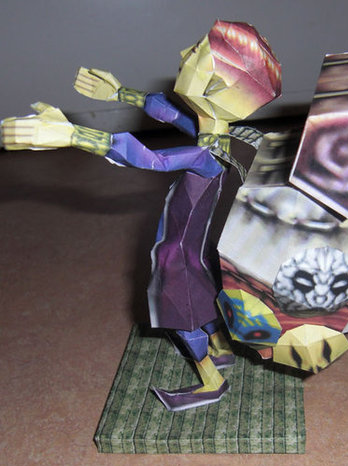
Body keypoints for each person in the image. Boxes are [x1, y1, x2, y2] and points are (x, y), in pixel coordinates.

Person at [1, 21, 283, 409]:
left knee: (179, 315)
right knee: (200, 298)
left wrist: (74, 136)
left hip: (177, 252)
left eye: (196, 53)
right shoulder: (213, 135)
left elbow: (149, 157)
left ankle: (211, 380)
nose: (184, 54)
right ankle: (220, 348)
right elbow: (168, 113)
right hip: (190, 249)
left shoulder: (207, 154)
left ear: (216, 87)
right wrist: (120, 92)